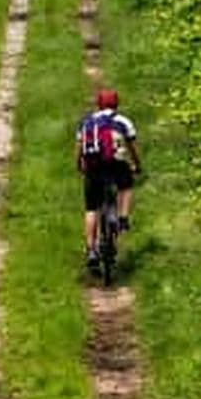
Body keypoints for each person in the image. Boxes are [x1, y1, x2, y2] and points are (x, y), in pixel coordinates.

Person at [75, 87, 141, 270]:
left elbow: (79, 147)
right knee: (126, 185)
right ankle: (123, 217)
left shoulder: (86, 122)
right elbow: (132, 146)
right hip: (116, 163)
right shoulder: (123, 121)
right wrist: (137, 165)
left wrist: (80, 164)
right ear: (116, 104)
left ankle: (91, 250)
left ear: (98, 104)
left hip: (94, 166)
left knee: (91, 208)